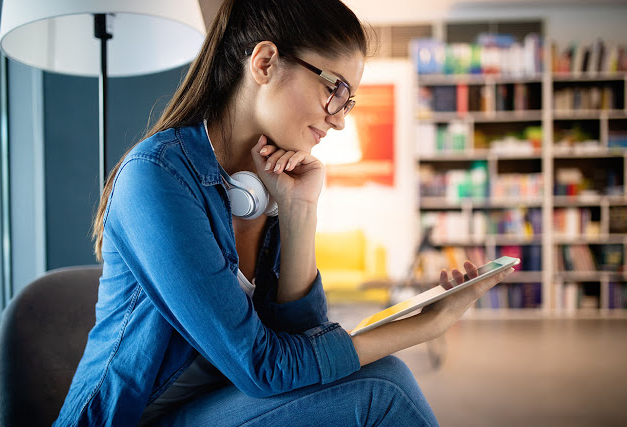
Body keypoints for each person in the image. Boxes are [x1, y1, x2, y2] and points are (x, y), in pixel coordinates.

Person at [54, 0, 514, 425]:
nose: (338, 118)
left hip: (219, 402)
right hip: (138, 418)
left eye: (347, 102)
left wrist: (298, 213)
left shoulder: (263, 184)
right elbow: (265, 368)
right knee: (383, 387)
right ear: (265, 63)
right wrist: (424, 326)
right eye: (334, 88)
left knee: (383, 379)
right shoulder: (155, 179)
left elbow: (304, 342)